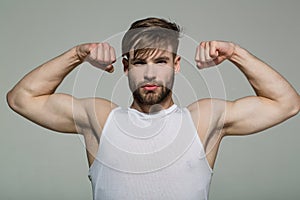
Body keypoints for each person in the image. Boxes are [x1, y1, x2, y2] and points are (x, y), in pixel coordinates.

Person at [6, 17, 299, 200]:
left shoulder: (203, 120)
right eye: (139, 63)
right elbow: (21, 98)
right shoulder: (100, 119)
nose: (149, 75)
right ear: (125, 68)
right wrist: (76, 54)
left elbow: (287, 104)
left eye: (160, 62)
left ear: (176, 66)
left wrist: (236, 53)